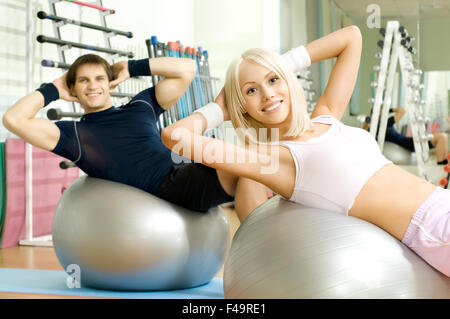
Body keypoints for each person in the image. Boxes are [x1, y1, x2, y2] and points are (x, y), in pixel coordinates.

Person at [161, 26, 449, 277]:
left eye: (273, 80)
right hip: (431, 229)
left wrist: (276, 65)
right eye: (251, 91)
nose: (268, 94)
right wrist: (219, 110)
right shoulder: (270, 159)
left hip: (441, 200)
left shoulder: (326, 116)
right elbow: (174, 136)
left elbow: (351, 38)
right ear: (241, 106)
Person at [2, 53, 238, 213]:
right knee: (248, 169)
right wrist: (53, 89)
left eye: (99, 79)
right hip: (173, 186)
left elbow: (187, 69)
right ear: (72, 88)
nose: (93, 86)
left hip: (191, 165)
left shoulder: (141, 106)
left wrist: (131, 67)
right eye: (83, 80)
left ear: (110, 83)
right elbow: (13, 119)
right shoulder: (73, 134)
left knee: (254, 164)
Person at [363, 107, 448, 164]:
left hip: (406, 141)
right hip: (404, 143)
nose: (380, 113)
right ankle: (440, 162)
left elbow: (402, 111)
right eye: (378, 111)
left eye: (381, 111)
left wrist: (388, 109)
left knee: (443, 137)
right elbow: (364, 135)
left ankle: (442, 161)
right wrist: (367, 124)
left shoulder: (385, 122)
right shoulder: (380, 125)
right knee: (441, 137)